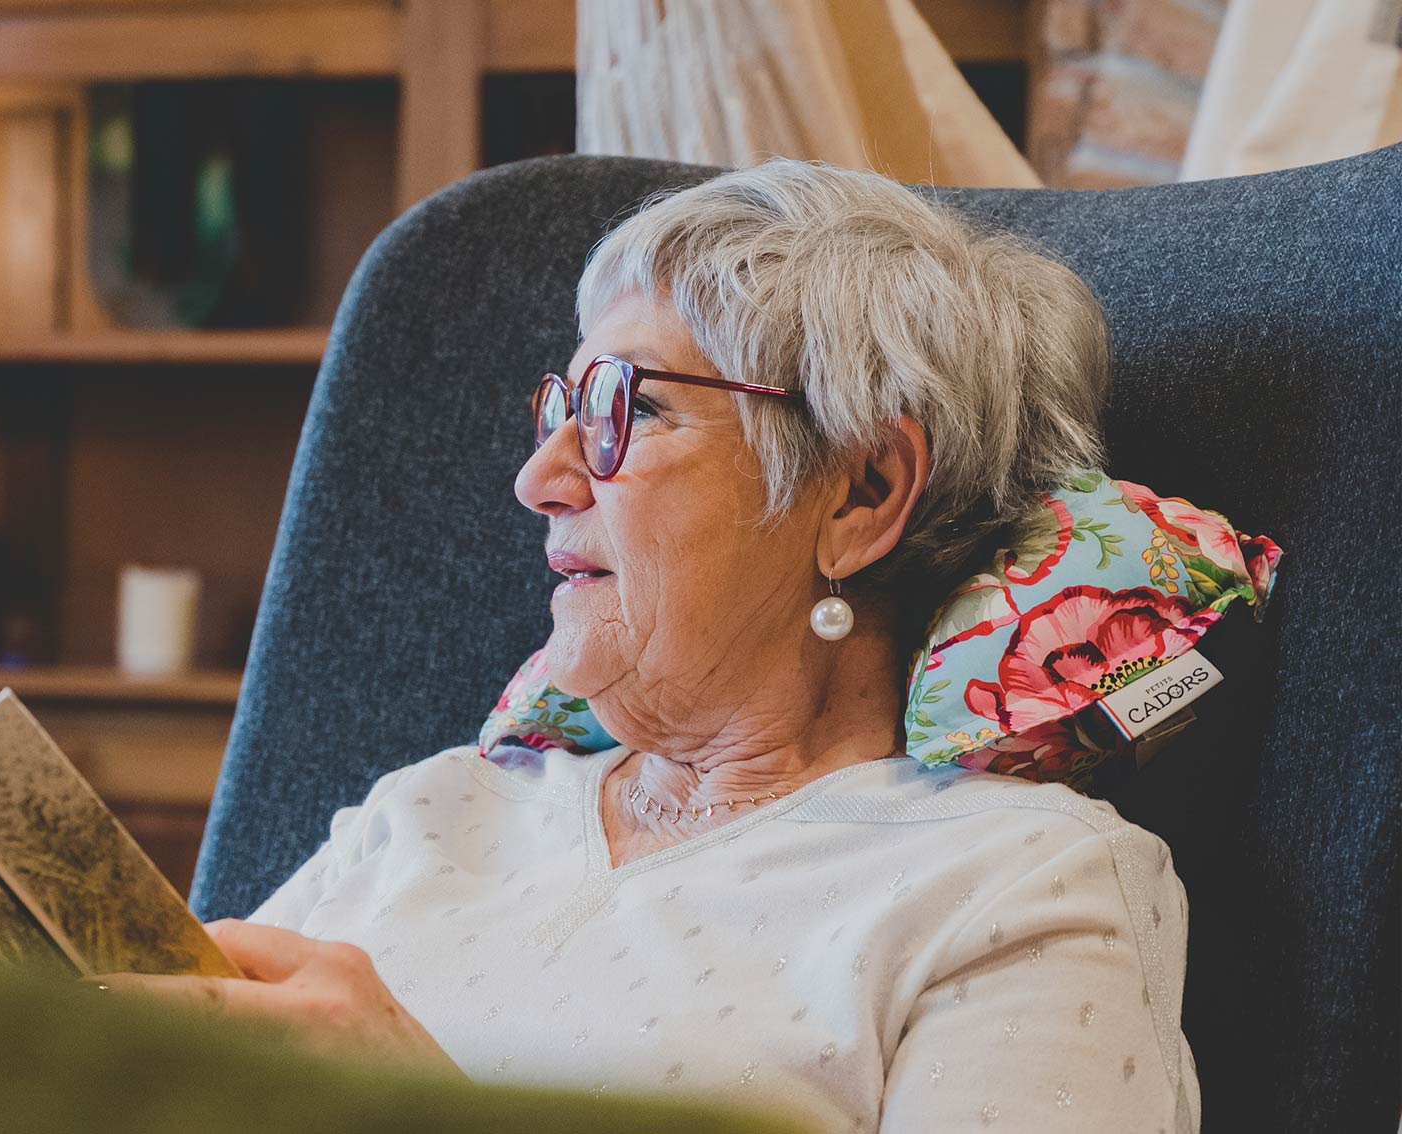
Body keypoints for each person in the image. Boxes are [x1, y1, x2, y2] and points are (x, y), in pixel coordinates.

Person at [112, 160, 1199, 1134]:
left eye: (622, 408)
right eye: (559, 408)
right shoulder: (433, 811)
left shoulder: (1008, 889)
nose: (538, 479)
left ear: (860, 493)